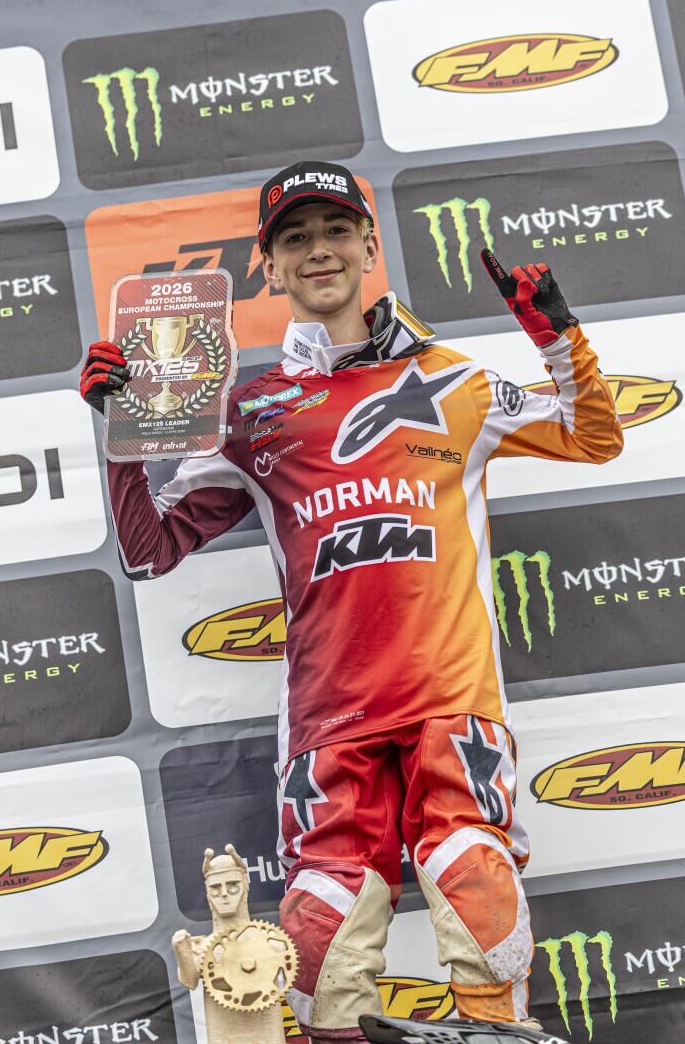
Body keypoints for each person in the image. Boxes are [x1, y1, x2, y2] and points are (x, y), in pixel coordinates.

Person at [80, 161, 624, 1042]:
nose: (319, 250)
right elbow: (149, 550)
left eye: (337, 230)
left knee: (470, 866)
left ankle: (496, 1029)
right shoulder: (252, 412)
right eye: (295, 238)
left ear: (371, 246)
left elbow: (593, 435)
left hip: (451, 694)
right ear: (269, 267)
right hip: (329, 715)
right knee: (321, 927)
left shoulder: (452, 381)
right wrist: (118, 432)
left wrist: (555, 334)